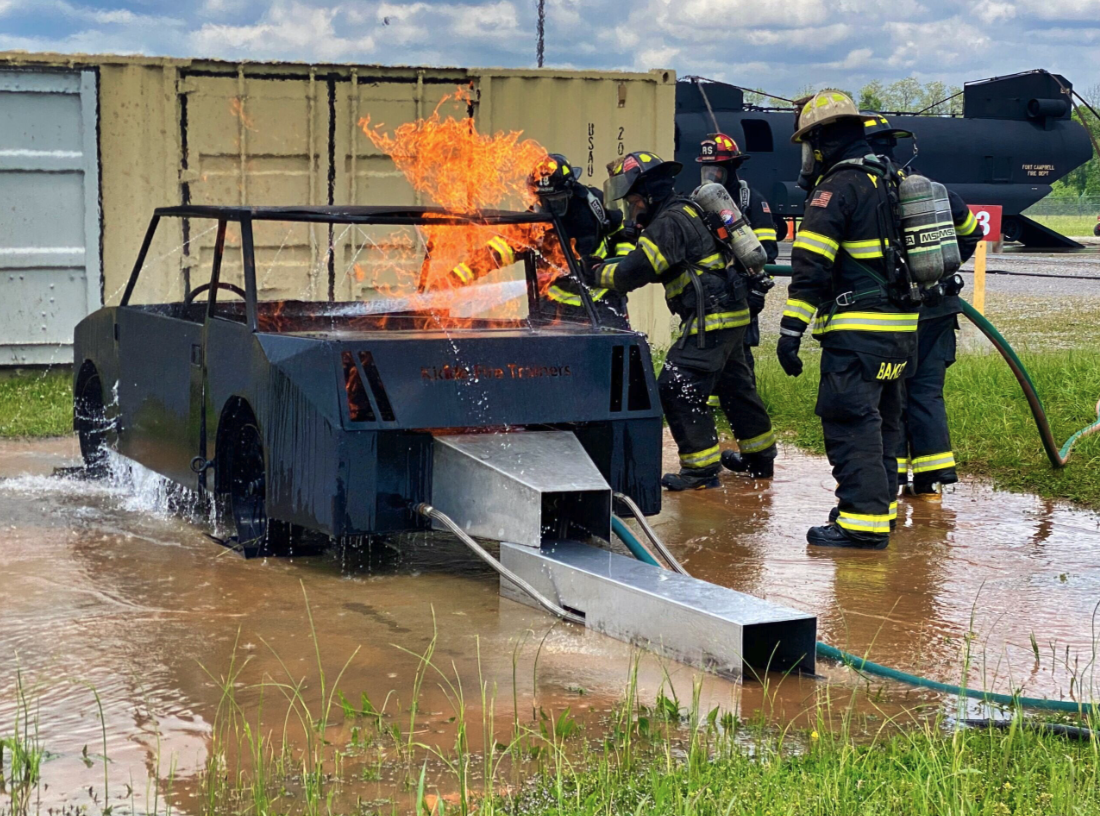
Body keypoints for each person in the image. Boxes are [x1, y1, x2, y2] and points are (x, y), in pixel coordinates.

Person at [778, 91, 920, 550]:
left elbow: (811, 265)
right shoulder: (892, 179)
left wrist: (790, 330)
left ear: (820, 142)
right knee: (885, 423)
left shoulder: (837, 187)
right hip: (901, 333)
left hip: (858, 333)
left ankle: (861, 523)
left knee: (850, 421)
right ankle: (882, 510)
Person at [591, 151, 777, 490]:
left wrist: (595, 272)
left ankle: (701, 471)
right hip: (732, 313)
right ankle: (760, 458)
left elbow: (633, 273)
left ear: (646, 194)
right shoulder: (685, 211)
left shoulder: (668, 223)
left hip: (711, 318)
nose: (629, 207)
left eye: (631, 198)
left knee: (676, 387)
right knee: (735, 388)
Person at [862, 114, 983, 500]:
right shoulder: (930, 190)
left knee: (893, 394)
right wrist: (944, 271)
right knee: (928, 392)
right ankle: (932, 478)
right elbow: (971, 233)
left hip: (900, 314)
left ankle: (894, 477)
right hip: (941, 307)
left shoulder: (871, 192)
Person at [449, 153, 632, 327]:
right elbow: (499, 250)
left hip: (603, 301)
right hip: (556, 308)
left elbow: (622, 234)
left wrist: (619, 270)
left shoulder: (595, 205)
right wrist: (455, 279)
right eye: (544, 200)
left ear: (570, 191)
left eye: (556, 200)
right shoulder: (534, 221)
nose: (550, 207)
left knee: (612, 353)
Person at [696, 134, 781, 477]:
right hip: (710, 299)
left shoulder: (751, 200)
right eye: (706, 169)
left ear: (731, 168)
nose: (710, 176)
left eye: (716, 169)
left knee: (740, 376)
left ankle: (754, 454)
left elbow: (769, 252)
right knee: (711, 375)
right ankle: (717, 446)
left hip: (742, 298)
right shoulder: (700, 200)